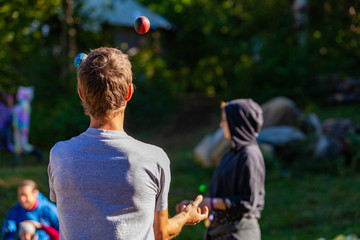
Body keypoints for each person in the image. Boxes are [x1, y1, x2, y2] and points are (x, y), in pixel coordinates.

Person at [47, 47, 208, 240]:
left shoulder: (60, 156)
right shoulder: (153, 159)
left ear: (81, 93)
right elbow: (161, 232)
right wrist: (186, 216)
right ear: (129, 92)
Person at [178, 99, 265, 240]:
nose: (221, 124)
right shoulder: (231, 153)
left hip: (238, 233)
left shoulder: (249, 154)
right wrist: (194, 205)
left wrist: (212, 203)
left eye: (225, 120)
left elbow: (248, 202)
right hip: (220, 231)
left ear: (237, 123)